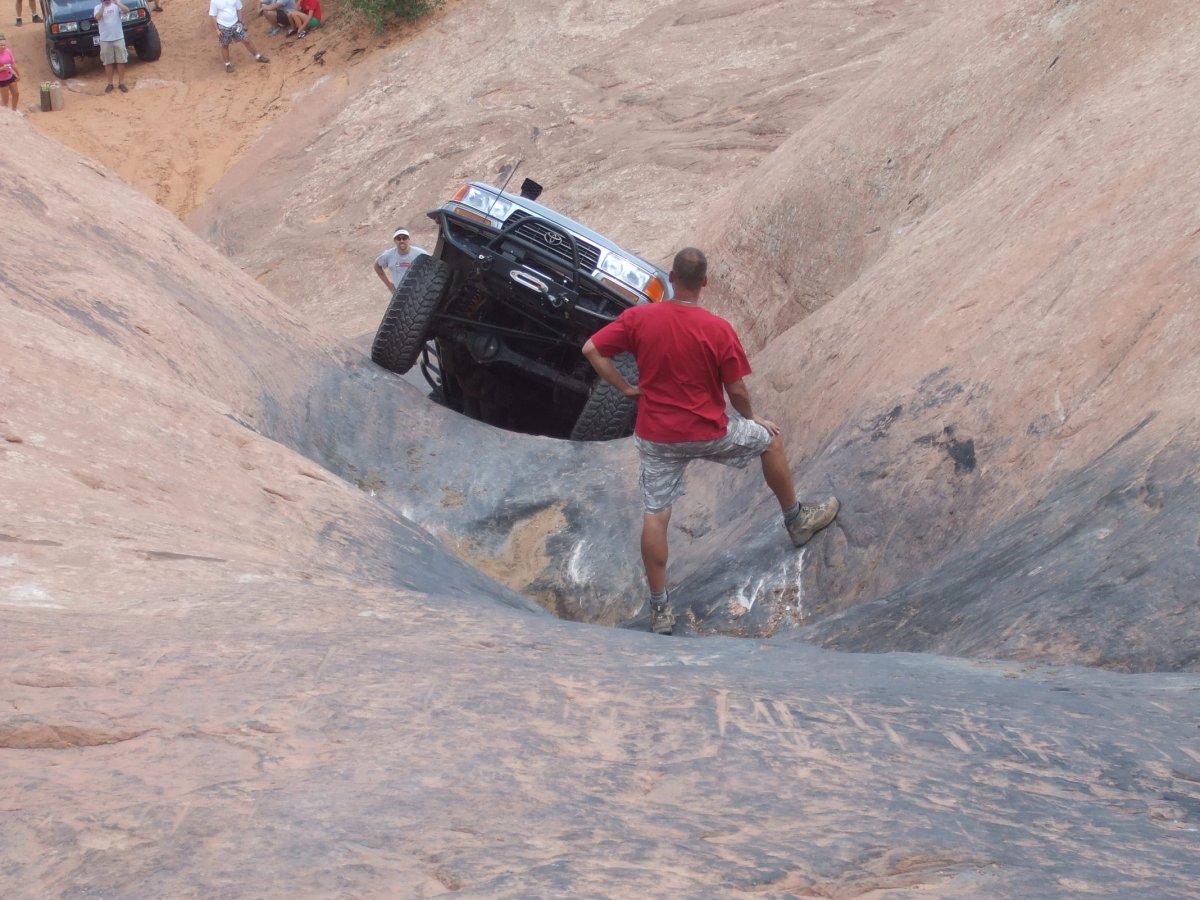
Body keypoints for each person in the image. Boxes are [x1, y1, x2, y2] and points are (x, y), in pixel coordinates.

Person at [582, 247, 840, 635]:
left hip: (657, 437)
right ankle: (797, 519)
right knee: (769, 442)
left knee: (656, 515)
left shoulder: (640, 318)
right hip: (711, 431)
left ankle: (660, 610)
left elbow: (591, 349)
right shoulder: (718, 329)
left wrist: (625, 388)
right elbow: (735, 388)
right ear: (704, 283)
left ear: (670, 277)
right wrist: (752, 420)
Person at [208, 0, 268, 73]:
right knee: (225, 45)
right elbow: (212, 15)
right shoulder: (215, 1)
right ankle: (227, 64)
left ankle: (258, 56)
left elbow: (239, 9)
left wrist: (240, 22)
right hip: (223, 26)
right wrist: (217, 29)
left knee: (246, 40)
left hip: (235, 23)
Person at [373, 228, 428, 294]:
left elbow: (432, 266)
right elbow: (377, 266)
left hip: (419, 291)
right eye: (398, 238)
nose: (401, 241)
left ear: (408, 239)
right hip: (400, 294)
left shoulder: (420, 254)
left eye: (404, 238)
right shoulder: (388, 255)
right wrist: (389, 285)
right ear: (395, 241)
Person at [93, 0, 130, 93]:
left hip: (118, 37)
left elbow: (127, 10)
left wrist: (117, 3)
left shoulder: (116, 5)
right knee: (108, 62)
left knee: (121, 61)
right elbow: (97, 17)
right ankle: (110, 83)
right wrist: (103, 6)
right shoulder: (97, 8)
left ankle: (121, 82)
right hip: (105, 39)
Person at [0, 32, 24, 110]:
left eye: (4, 44)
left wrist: (18, 74)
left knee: (16, 94)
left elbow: (13, 63)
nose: (3, 47)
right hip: (2, 80)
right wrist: (2, 69)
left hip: (10, 75)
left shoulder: (8, 51)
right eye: (1, 45)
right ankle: (5, 116)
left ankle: (14, 110)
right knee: (5, 100)